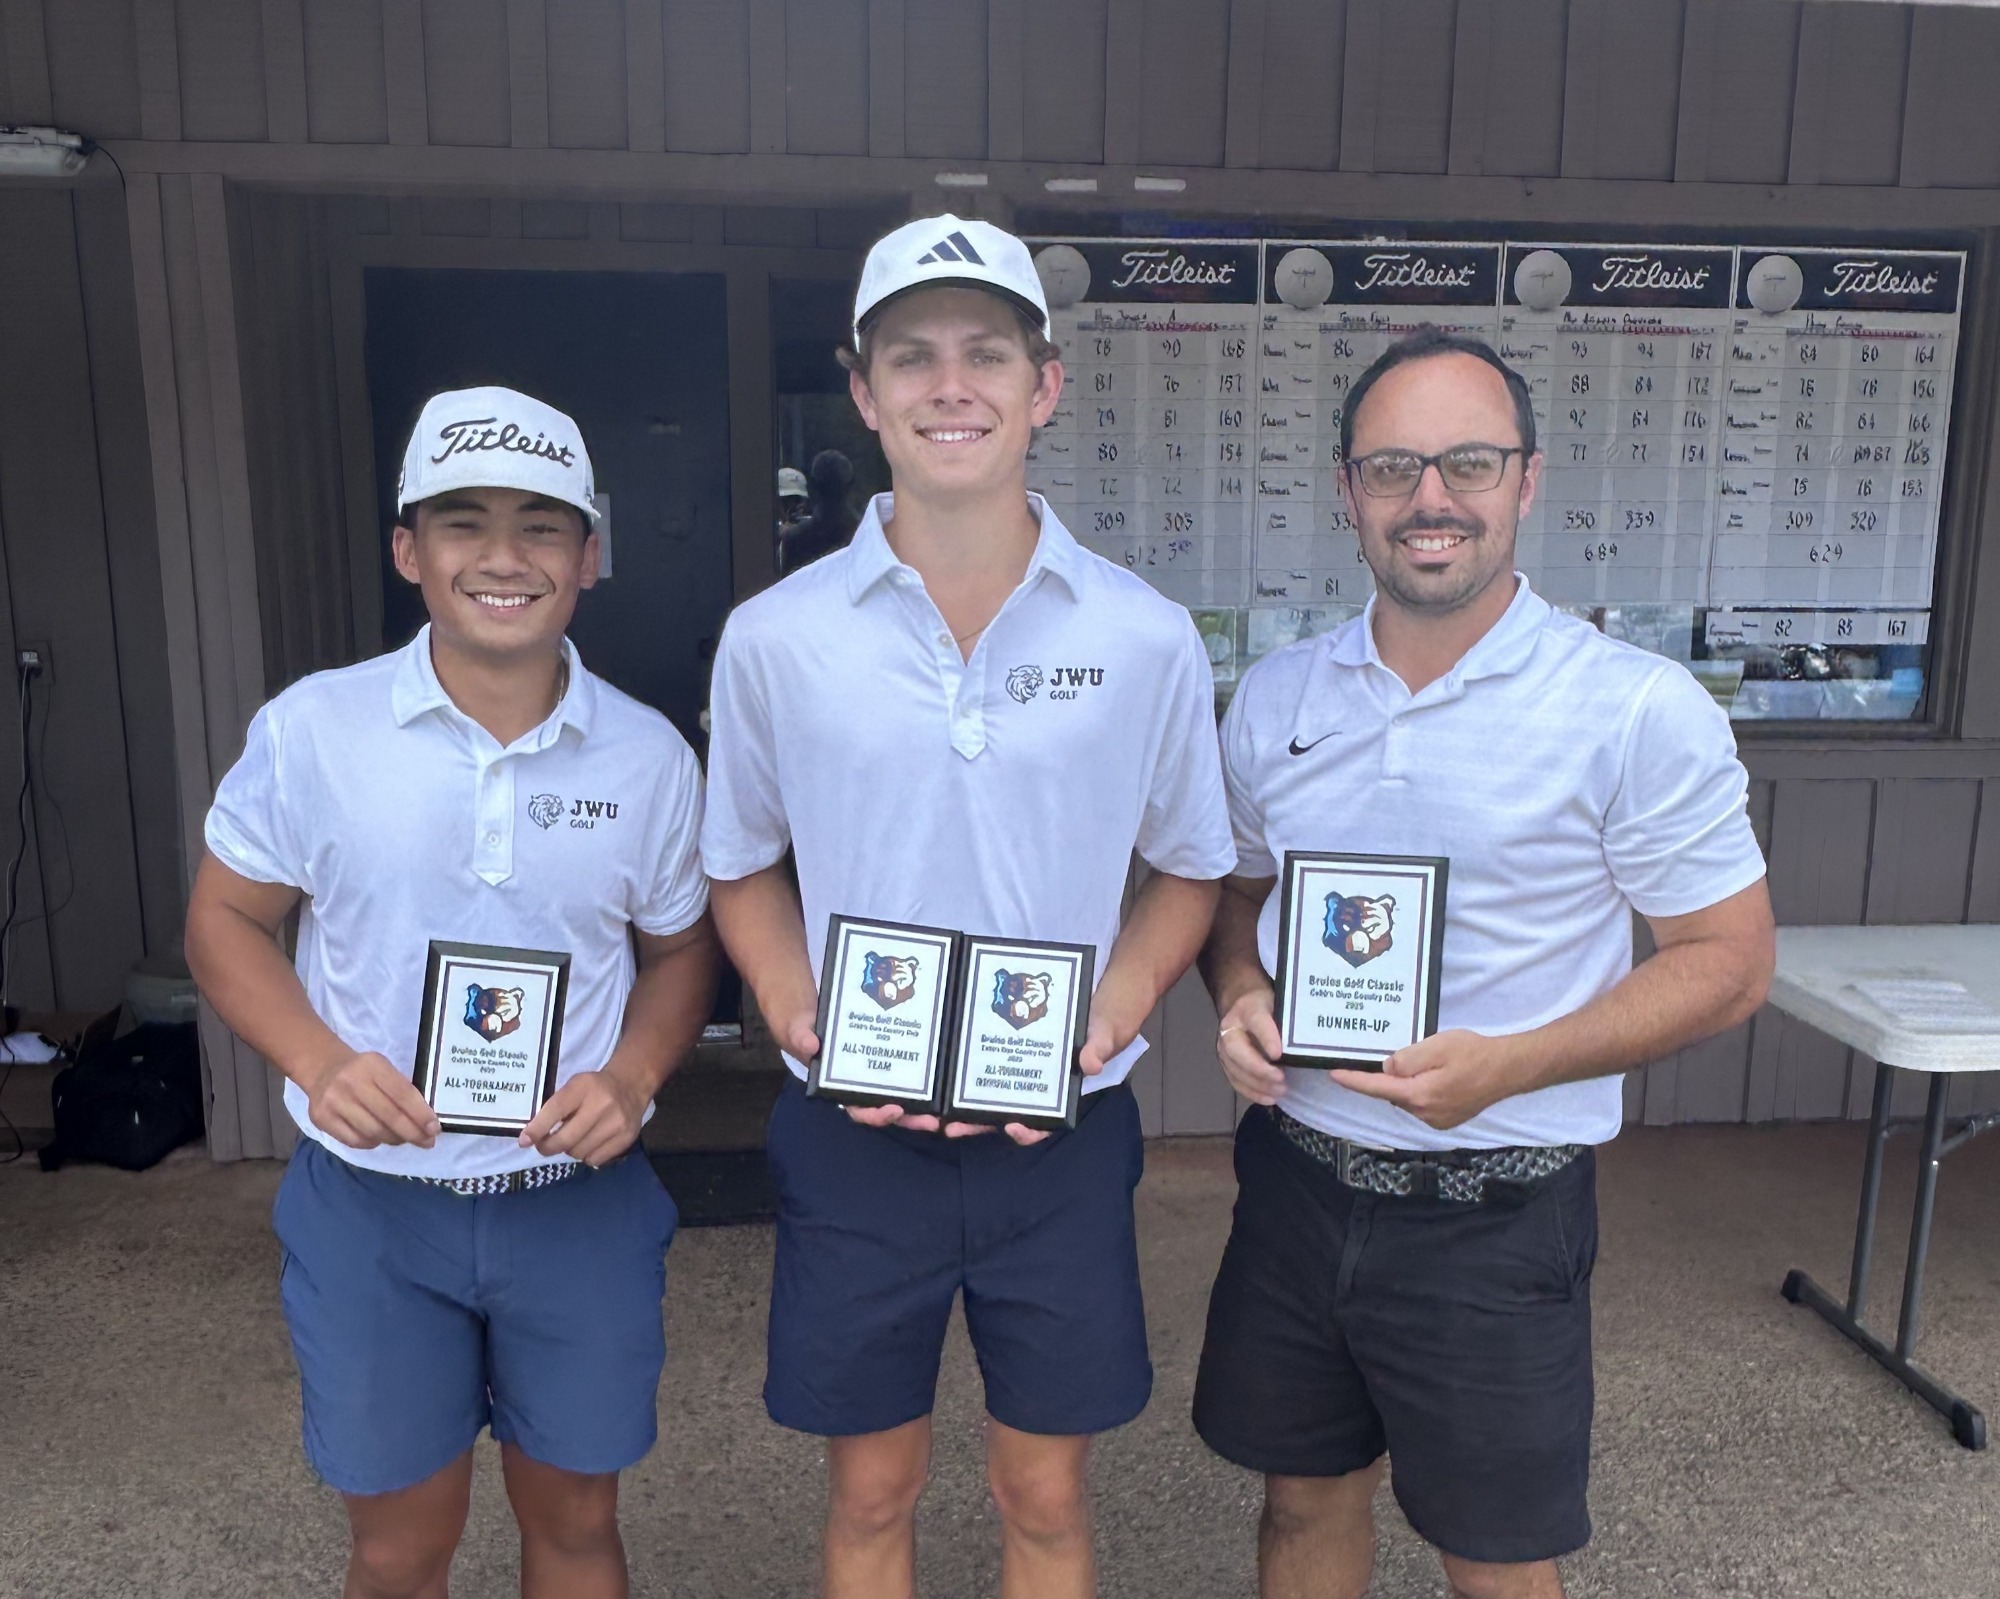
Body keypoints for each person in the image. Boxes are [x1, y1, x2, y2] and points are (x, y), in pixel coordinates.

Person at [1192, 328, 1775, 1599]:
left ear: (1525, 479)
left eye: (1466, 460)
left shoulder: (1630, 708)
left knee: (1497, 1560)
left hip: (1494, 1209)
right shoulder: (1276, 696)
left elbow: (1727, 961)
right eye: (1392, 467)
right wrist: (1240, 989)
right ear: (1346, 493)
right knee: (1299, 1505)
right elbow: (1237, 896)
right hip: (1296, 1183)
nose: (1430, 498)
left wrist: (1509, 1066)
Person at [701, 214, 1235, 1599]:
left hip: (1058, 1130)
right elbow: (740, 857)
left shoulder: (1141, 632)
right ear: (863, 389)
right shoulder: (778, 635)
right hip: (851, 1127)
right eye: (914, 355)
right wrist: (793, 1002)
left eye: (987, 353)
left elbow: (1191, 863)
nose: (953, 384)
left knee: (1041, 1487)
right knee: (873, 1485)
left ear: (1043, 386)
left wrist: (1108, 1017)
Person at [184, 386, 717, 1599]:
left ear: (589, 556)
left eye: (540, 525)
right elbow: (225, 919)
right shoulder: (315, 729)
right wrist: (319, 1062)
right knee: (396, 1548)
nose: (502, 557)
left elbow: (682, 952)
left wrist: (631, 1078)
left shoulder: (646, 755)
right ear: (407, 552)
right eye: (463, 522)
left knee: (577, 1530)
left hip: (569, 1201)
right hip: (374, 1209)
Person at [777, 448, 862, 574]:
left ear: (814, 486)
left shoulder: (795, 539)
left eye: (796, 500)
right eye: (786, 501)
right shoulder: (867, 535)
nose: (792, 507)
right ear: (850, 485)